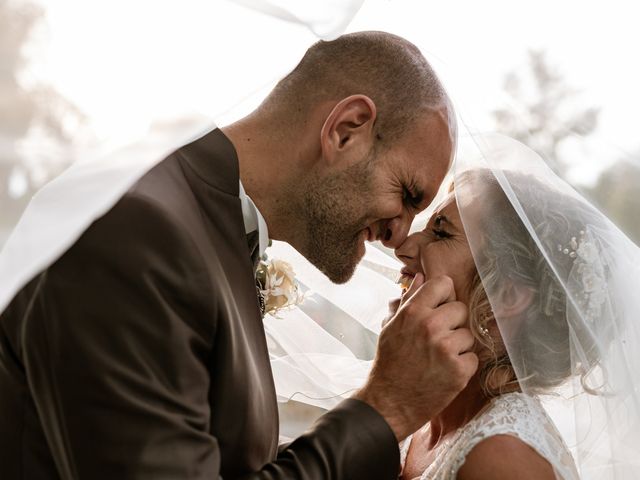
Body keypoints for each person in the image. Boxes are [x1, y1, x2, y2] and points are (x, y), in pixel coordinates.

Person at [0, 32, 479, 479]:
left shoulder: (202, 223)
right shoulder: (139, 230)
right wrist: (385, 408)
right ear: (346, 130)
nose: (400, 236)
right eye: (409, 193)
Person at [391, 135, 640, 479]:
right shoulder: (424, 420)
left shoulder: (503, 457)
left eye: (441, 233)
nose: (403, 247)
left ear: (504, 297)